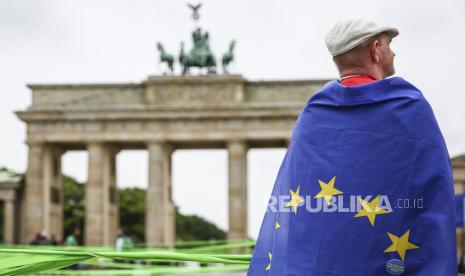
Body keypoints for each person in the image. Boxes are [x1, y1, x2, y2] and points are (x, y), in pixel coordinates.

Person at [248, 19, 456, 275]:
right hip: (385, 261)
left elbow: (298, 200)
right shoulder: (410, 107)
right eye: (389, 44)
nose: (393, 51)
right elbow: (434, 190)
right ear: (376, 49)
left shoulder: (313, 111)